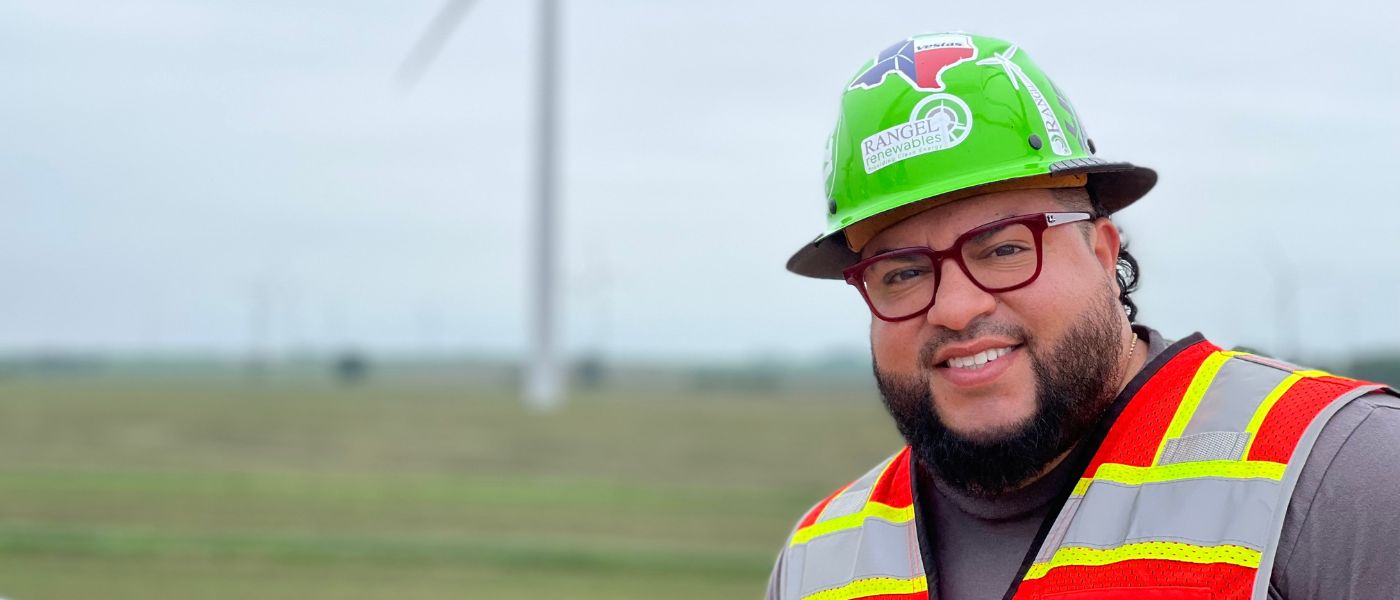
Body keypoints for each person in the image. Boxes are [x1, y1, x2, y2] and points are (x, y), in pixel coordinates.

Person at [766, 32, 1400, 600]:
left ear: (1102, 250)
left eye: (1006, 247)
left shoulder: (1338, 472)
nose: (956, 308)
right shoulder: (819, 561)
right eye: (903, 272)